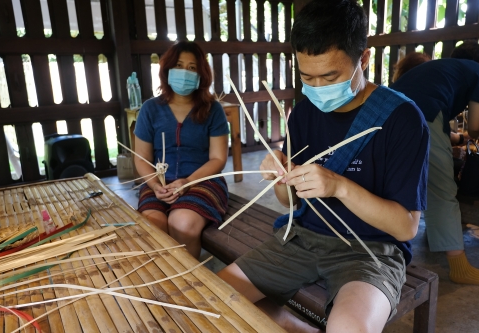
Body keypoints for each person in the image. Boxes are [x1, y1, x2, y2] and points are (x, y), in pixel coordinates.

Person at [217, 1, 430, 332]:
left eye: (330, 76)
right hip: (304, 238)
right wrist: (281, 176)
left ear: (364, 60)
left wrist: (339, 186)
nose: (317, 88)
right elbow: (291, 203)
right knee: (215, 299)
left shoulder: (402, 118)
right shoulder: (303, 114)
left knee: (348, 328)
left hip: (371, 250)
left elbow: (405, 228)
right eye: (307, 77)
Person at [390, 41, 479, 285]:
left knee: (393, 181)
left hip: (388, 113)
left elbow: (440, 127)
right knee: (441, 188)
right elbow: (477, 126)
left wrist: (461, 136)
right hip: (418, 116)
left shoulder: (439, 70)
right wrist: (478, 134)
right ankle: (459, 267)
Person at [134, 41, 230, 259]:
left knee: (183, 223)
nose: (184, 72)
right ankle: (164, 283)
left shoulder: (212, 110)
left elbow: (218, 158)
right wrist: (155, 185)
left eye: (192, 67)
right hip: (159, 181)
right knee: (152, 225)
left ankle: (190, 285)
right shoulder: (150, 109)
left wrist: (188, 182)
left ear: (201, 74)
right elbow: (141, 159)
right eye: (178, 65)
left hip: (203, 180)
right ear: (167, 70)